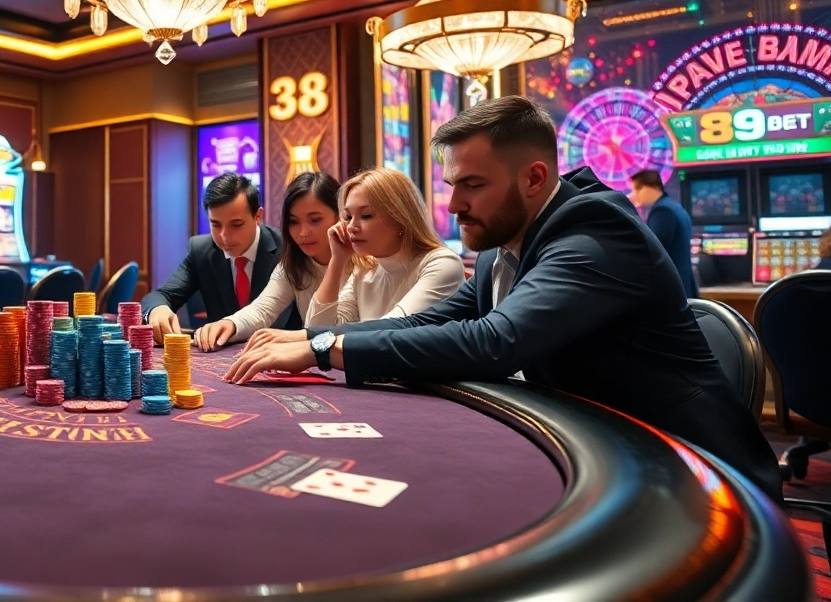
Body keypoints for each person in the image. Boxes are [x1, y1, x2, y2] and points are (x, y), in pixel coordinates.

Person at [225, 96, 781, 500]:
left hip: (695, 473)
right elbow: (428, 322)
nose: (454, 206)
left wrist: (323, 350)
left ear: (534, 178)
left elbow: (496, 341)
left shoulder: (595, 235)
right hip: (604, 446)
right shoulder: (502, 246)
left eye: (473, 185)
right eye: (452, 186)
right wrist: (314, 337)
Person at [194, 172, 341, 352]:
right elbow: (263, 309)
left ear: (340, 215)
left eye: (315, 220)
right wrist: (230, 323)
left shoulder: (365, 265)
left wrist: (292, 337)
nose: (303, 232)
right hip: (318, 359)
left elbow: (358, 332)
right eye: (294, 222)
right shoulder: (292, 265)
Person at [141, 172, 295, 344]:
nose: (224, 236)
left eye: (236, 225)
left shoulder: (288, 249)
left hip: (281, 352)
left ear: (258, 216)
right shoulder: (201, 250)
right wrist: (157, 309)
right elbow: (160, 296)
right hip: (219, 355)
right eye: (215, 225)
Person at [303, 168, 462, 327]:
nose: (350, 227)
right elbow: (316, 329)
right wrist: (337, 260)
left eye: (366, 215)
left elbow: (391, 330)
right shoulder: (365, 269)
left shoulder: (442, 263)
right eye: (348, 217)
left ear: (400, 219)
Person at [629, 169, 698, 297]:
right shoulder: (674, 206)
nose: (634, 194)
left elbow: (652, 250)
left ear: (654, 187)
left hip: (671, 289)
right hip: (683, 285)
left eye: (638, 189)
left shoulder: (662, 211)